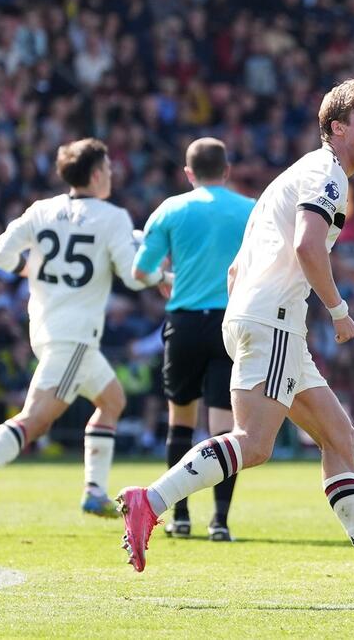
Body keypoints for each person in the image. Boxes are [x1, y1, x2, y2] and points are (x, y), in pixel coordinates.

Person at [115, 78, 354, 597]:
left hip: (262, 319)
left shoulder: (297, 175)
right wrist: (337, 310)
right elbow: (311, 247)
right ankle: (149, 501)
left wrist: (257, 314)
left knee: (339, 437)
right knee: (255, 443)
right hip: (274, 322)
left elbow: (237, 269)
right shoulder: (327, 174)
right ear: (337, 129)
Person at [0, 137, 158, 526]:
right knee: (35, 421)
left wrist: (29, 270)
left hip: (47, 326)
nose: (111, 175)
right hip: (73, 335)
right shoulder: (112, 217)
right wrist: (162, 275)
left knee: (112, 401)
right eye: (108, 169)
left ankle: (94, 493)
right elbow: (133, 274)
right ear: (95, 174)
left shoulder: (42, 209)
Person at [132, 137, 254, 541]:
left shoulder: (170, 209)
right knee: (224, 427)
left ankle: (179, 516)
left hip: (184, 324)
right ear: (227, 170)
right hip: (229, 325)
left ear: (188, 173)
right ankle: (220, 520)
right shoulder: (250, 210)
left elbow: (140, 272)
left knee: (179, 421)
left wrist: (164, 279)